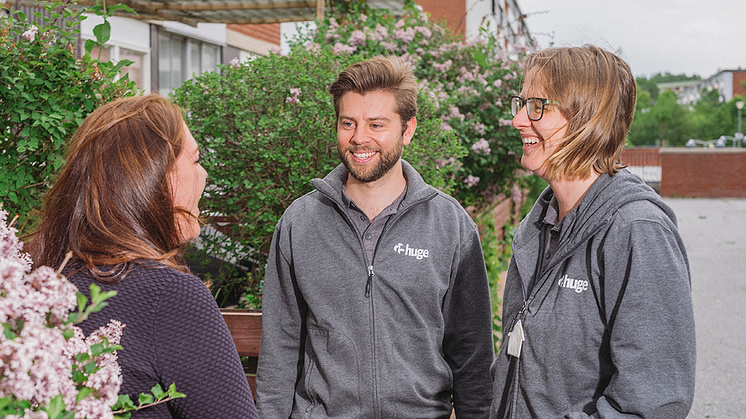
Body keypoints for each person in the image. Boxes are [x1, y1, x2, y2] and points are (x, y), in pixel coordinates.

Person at [256, 56, 494, 418]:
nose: (359, 138)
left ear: (408, 129)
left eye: (376, 124)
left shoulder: (450, 224)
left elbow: (471, 352)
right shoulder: (299, 222)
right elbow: (280, 345)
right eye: (347, 123)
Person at [490, 45, 696, 418]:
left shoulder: (636, 231)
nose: (520, 119)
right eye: (521, 103)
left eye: (538, 106)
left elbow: (652, 402)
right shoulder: (537, 227)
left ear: (588, 118)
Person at [26, 95, 259, 419]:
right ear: (154, 177)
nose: (204, 175)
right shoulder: (171, 298)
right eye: (194, 160)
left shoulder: (38, 287)